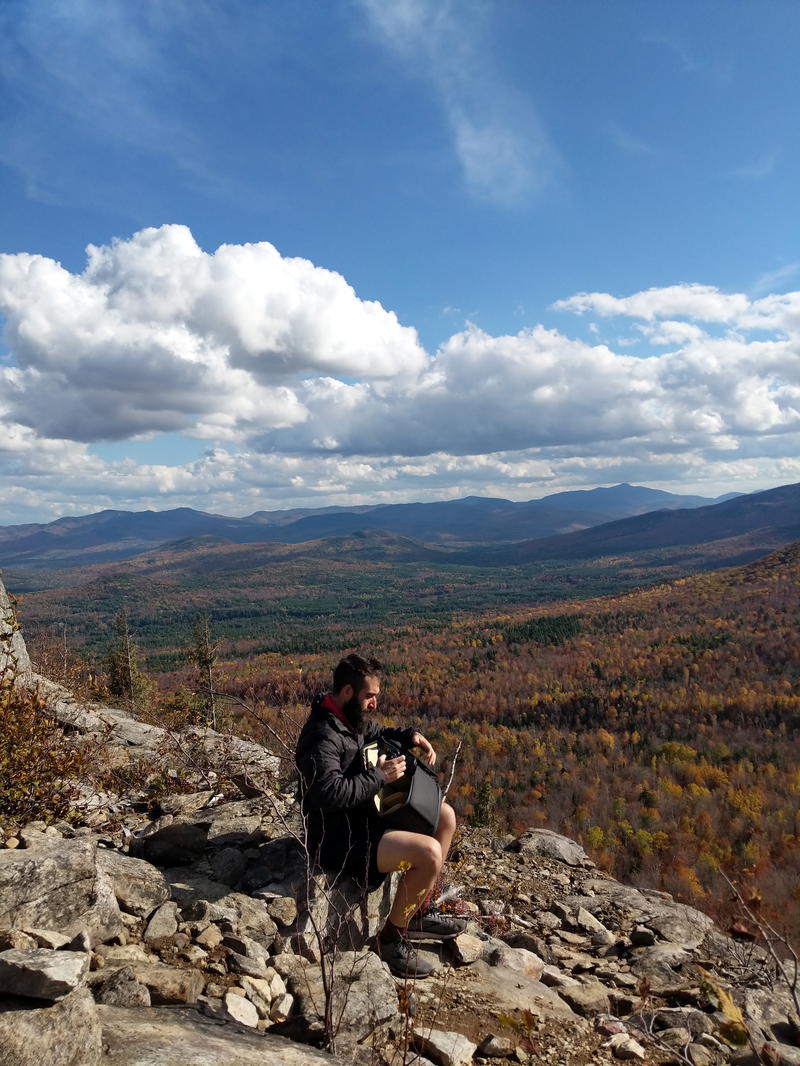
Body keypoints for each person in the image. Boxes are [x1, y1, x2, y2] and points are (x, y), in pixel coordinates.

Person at [295, 652, 464, 977]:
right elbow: (328, 794)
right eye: (369, 696)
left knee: (445, 816)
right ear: (347, 692)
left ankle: (415, 910)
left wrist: (408, 735)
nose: (374, 703)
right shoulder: (322, 736)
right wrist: (379, 777)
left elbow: (373, 732)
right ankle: (391, 939)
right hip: (337, 841)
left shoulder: (345, 719)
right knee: (428, 854)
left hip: (361, 818)